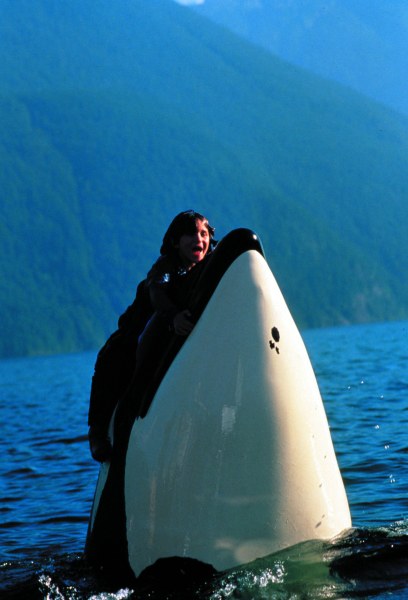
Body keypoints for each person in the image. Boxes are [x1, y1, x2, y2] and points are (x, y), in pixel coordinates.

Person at [88, 210, 217, 462]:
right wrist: (173, 316)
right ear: (175, 242)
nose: (199, 239)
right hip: (138, 331)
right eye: (190, 234)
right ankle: (98, 431)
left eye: (204, 234)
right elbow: (157, 291)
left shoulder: (206, 268)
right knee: (113, 356)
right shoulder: (164, 267)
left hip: (172, 332)